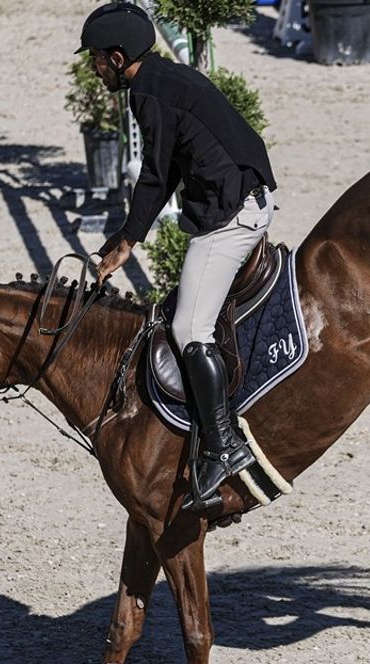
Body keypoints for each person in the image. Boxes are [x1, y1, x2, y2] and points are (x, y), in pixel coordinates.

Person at [78, 3, 278, 511]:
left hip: (234, 214)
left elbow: (153, 174)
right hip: (241, 192)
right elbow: (164, 171)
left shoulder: (148, 95)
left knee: (190, 330)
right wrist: (128, 238)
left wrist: (127, 236)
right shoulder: (162, 79)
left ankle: (223, 446)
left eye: (97, 60)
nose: (95, 68)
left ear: (118, 58)